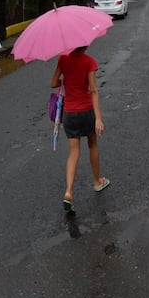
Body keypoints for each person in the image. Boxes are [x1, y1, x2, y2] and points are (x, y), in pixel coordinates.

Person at [51, 45, 108, 213]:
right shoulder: (90, 62)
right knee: (92, 144)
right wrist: (98, 118)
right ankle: (97, 182)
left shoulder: (63, 58)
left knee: (74, 152)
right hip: (86, 112)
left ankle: (68, 192)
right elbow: (93, 90)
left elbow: (53, 83)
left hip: (69, 113)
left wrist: (66, 80)